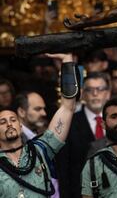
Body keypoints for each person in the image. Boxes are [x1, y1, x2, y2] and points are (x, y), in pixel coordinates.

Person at [0, 53, 78, 197]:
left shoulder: (41, 149)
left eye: (13, 119)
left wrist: (67, 61)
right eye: (2, 122)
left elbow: (68, 106)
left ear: (21, 125)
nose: (9, 124)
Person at [56, 71, 111, 198]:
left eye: (100, 89)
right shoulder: (69, 123)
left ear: (108, 93)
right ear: (82, 94)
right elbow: (63, 168)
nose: (95, 94)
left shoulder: (116, 121)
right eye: (89, 89)